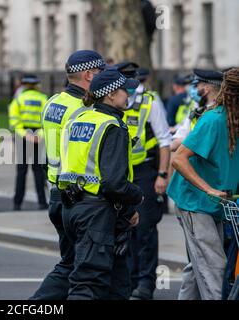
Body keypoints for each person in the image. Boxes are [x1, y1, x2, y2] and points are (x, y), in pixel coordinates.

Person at [58, 69, 143, 299]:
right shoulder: (112, 126)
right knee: (88, 284)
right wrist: (137, 197)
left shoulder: (78, 119)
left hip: (72, 207)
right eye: (125, 90)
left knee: (117, 284)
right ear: (111, 95)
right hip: (96, 213)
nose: (129, 94)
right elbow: (114, 183)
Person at [31, 50, 106, 300]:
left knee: (72, 263)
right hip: (77, 195)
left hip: (56, 192)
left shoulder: (53, 102)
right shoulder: (82, 110)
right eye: (100, 73)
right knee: (80, 269)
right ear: (88, 75)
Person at [167, 67, 239, 300]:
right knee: (213, 265)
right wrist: (208, 189)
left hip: (215, 202)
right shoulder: (213, 120)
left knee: (199, 266)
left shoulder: (232, 120)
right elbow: (178, 158)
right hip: (194, 200)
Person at [116, 61, 172, 300]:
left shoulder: (150, 101)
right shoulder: (113, 99)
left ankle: (145, 283)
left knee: (146, 228)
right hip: (122, 173)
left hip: (145, 171)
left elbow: (164, 140)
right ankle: (129, 280)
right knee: (126, 228)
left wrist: (162, 175)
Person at [9, 74, 48, 211]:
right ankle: (42, 202)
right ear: (37, 84)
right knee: (39, 171)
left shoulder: (18, 100)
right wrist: (39, 136)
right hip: (39, 136)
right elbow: (46, 122)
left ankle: (17, 203)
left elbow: (14, 122)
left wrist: (26, 135)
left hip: (22, 136)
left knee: (21, 171)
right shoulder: (43, 99)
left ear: (24, 84)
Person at [171, 69, 223, 152]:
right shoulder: (197, 111)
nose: (192, 90)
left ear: (206, 90)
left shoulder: (212, 115)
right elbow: (175, 143)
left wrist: (189, 141)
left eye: (196, 86)